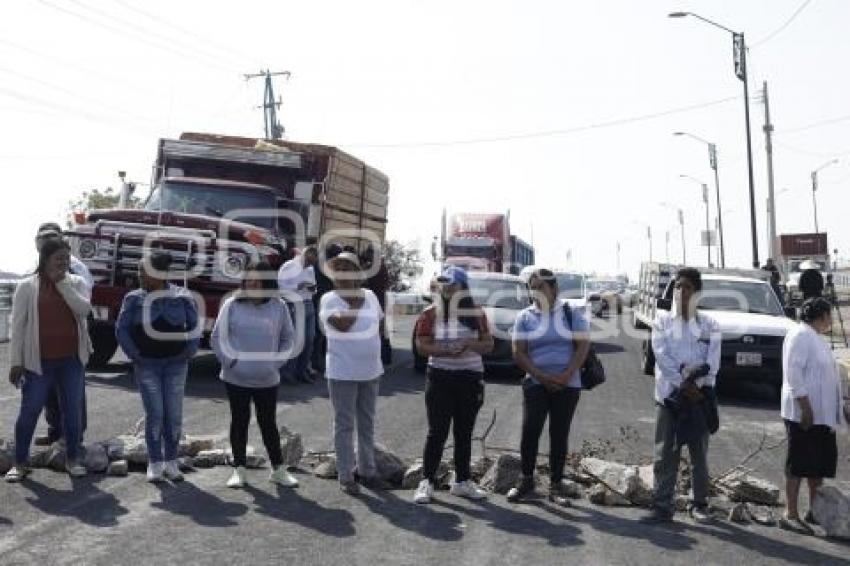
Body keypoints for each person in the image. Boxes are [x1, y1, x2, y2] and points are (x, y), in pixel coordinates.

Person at [6, 238, 92, 481]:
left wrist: (63, 285)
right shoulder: (26, 286)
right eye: (59, 258)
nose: (64, 262)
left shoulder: (76, 282)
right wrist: (16, 362)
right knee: (29, 410)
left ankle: (72, 459)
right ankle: (20, 463)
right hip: (38, 362)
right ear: (45, 259)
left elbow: (84, 310)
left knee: (72, 411)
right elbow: (19, 328)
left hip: (71, 360)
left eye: (67, 258)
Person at [641, 268, 721, 524]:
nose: (680, 291)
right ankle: (662, 504)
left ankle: (699, 504)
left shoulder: (710, 325)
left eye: (686, 287)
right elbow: (663, 359)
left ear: (696, 292)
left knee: (699, 455)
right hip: (670, 398)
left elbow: (713, 363)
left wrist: (698, 388)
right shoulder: (662, 321)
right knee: (665, 455)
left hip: (699, 399)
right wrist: (683, 385)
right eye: (677, 286)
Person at [211, 262, 299, 489]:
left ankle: (278, 470)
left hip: (267, 378)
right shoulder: (231, 304)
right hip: (235, 376)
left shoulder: (279, 306)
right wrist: (232, 362)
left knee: (268, 422)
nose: (252, 283)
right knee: (239, 421)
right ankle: (239, 470)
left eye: (257, 279)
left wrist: (276, 363)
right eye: (248, 279)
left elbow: (288, 339)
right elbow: (217, 338)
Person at [506, 268, 590, 504]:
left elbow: (583, 347)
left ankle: (555, 485)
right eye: (532, 287)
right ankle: (526, 481)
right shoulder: (524, 316)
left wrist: (566, 375)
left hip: (568, 383)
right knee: (530, 430)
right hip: (535, 381)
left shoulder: (570, 313)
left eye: (541, 286)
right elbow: (518, 352)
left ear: (554, 289)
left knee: (559, 433)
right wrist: (542, 377)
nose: (536, 291)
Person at [116, 251, 199, 483]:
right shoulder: (133, 298)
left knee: (173, 416)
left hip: (176, 365)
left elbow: (194, 327)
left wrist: (189, 351)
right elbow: (121, 329)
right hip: (147, 365)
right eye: (139, 270)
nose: (139, 274)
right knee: (155, 414)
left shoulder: (183, 296)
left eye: (143, 270)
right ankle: (154, 462)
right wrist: (134, 355)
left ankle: (171, 462)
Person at [412, 266, 493, 504]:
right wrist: (445, 350)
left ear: (463, 287)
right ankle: (426, 481)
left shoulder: (477, 313)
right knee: (437, 431)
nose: (447, 288)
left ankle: (462, 482)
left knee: (464, 432)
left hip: (470, 376)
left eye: (453, 284)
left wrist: (468, 345)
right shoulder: (429, 313)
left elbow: (488, 345)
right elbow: (421, 346)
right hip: (440, 375)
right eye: (444, 284)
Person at [318, 251, 386, 495]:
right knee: (344, 424)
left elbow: (379, 324)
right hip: (342, 371)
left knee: (367, 424)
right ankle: (346, 475)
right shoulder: (329, 299)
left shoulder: (370, 296)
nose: (342, 273)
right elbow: (342, 324)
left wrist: (378, 354)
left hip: (370, 371)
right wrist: (354, 304)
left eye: (348, 268)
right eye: (339, 268)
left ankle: (367, 471)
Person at [779, 297, 843, 534]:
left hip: (821, 417)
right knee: (798, 463)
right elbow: (793, 373)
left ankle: (814, 511)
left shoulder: (814, 337)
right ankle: (790, 513)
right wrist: (805, 407)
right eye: (830, 316)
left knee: (817, 465)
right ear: (823, 315)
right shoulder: (800, 335)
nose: (831, 320)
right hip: (803, 414)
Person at [32, 223, 92, 448]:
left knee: (72, 394)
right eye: (42, 237)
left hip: (71, 342)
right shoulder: (36, 269)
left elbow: (86, 306)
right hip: (45, 345)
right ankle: (55, 431)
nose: (46, 240)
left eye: (51, 236)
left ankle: (74, 438)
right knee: (49, 391)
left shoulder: (76, 269)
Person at [278, 246, 319, 383]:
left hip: (308, 304)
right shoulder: (288, 267)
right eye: (307, 261)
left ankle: (302, 371)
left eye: (312, 262)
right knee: (296, 340)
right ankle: (287, 372)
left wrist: (313, 289)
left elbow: (314, 288)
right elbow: (281, 288)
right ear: (303, 256)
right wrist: (298, 286)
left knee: (309, 340)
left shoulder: (310, 269)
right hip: (294, 304)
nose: (309, 265)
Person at [312, 243, 342, 374]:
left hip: (321, 300)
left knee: (320, 334)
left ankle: (317, 362)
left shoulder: (321, 264)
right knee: (319, 334)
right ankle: (316, 363)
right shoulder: (327, 266)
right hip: (322, 301)